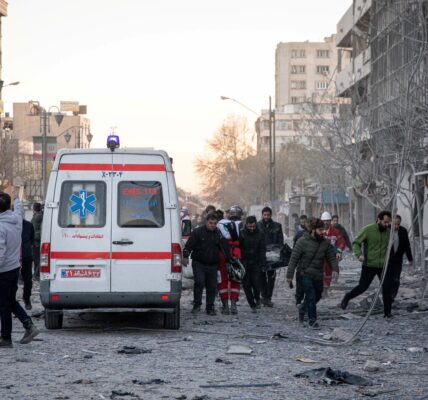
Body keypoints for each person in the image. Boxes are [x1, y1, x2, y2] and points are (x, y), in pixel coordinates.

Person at [0, 191, 39, 347]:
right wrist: (17, 198)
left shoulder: (1, 227)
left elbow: (0, 254)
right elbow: (19, 208)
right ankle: (29, 325)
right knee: (10, 301)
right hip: (14, 267)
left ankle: (6, 338)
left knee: (4, 305)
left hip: (3, 271)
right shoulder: (16, 220)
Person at [287, 218, 339, 328]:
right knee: (310, 295)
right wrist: (289, 276)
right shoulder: (302, 242)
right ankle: (312, 320)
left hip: (318, 275)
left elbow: (331, 257)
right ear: (313, 230)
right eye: (320, 230)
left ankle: (302, 308)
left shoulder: (325, 243)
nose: (323, 232)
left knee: (318, 295)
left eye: (323, 230)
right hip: (304, 274)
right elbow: (293, 259)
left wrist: (335, 269)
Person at [341, 211, 394, 318]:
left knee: (387, 288)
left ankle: (387, 313)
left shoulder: (389, 232)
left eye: (388, 222)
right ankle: (347, 297)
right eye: (385, 222)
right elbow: (356, 243)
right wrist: (359, 254)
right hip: (369, 264)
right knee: (363, 287)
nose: (386, 224)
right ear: (378, 220)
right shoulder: (368, 230)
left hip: (383, 266)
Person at [183, 212, 229, 315]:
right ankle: (197, 305)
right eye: (210, 223)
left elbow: (224, 246)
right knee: (199, 282)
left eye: (214, 223)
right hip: (199, 262)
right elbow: (189, 245)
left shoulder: (218, 233)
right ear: (206, 222)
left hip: (213, 264)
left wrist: (229, 259)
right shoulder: (198, 232)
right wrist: (185, 256)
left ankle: (210, 307)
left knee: (212, 286)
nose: (212, 225)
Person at [217, 205, 243, 315]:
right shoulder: (241, 224)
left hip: (222, 253)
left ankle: (225, 306)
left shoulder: (220, 224)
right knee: (235, 278)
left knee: (222, 279)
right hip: (235, 253)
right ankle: (233, 305)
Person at [257, 206, 284, 307]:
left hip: (273, 255)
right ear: (262, 215)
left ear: (271, 215)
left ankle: (268, 297)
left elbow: (280, 241)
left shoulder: (277, 226)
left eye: (268, 215)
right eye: (265, 215)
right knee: (261, 277)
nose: (266, 217)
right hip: (261, 255)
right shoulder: (258, 225)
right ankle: (264, 296)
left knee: (271, 277)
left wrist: (279, 254)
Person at [239, 216, 266, 313]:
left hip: (256, 262)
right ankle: (252, 304)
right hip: (244, 262)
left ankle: (257, 298)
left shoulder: (260, 233)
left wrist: (263, 262)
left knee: (256, 283)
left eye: (253, 226)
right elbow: (238, 247)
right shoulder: (241, 233)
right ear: (246, 225)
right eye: (250, 226)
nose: (252, 228)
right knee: (246, 285)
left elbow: (262, 249)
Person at [320, 211, 345, 296]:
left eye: (327, 221)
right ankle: (320, 289)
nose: (326, 222)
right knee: (320, 272)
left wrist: (339, 251)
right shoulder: (319, 231)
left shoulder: (335, 232)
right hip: (320, 256)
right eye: (324, 221)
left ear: (330, 221)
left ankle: (325, 290)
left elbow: (341, 242)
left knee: (329, 273)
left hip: (331, 256)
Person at [389, 215, 413, 300]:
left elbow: (407, 246)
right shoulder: (386, 230)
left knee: (396, 278)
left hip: (398, 259)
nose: (396, 226)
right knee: (388, 278)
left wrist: (410, 259)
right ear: (391, 222)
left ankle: (393, 295)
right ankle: (388, 295)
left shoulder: (403, 231)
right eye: (394, 224)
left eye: (398, 224)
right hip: (387, 259)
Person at [21, 218, 35, 310]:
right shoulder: (7, 223)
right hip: (11, 256)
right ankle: (10, 301)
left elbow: (32, 239)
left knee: (28, 279)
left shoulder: (28, 225)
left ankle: (27, 299)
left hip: (26, 255)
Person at [31, 202, 43, 281]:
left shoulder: (37, 217)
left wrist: (33, 237)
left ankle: (36, 274)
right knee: (36, 259)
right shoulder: (39, 215)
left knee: (37, 259)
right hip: (37, 241)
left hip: (36, 241)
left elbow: (34, 229)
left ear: (34, 208)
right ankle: (36, 274)